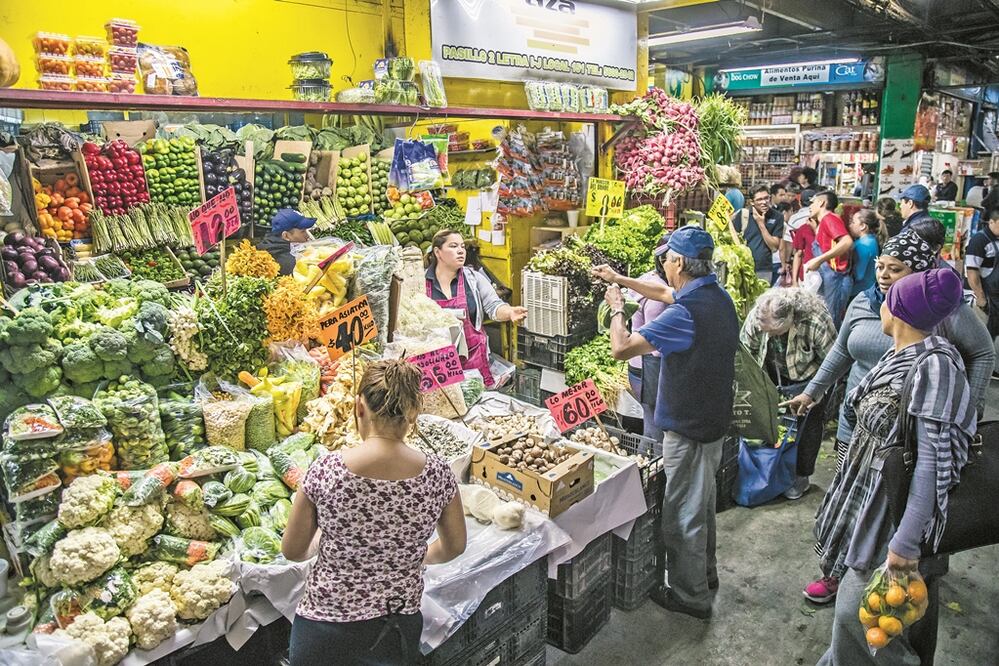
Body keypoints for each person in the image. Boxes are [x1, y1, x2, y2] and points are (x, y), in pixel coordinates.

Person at [785, 232, 994, 606]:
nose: (882, 275)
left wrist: (968, 408)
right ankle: (838, 573)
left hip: (902, 440)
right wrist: (812, 393)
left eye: (894, 269)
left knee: (897, 511)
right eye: (880, 266)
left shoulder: (939, 335)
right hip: (863, 422)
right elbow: (839, 353)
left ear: (918, 276)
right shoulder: (865, 304)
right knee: (855, 500)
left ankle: (900, 576)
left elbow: (982, 355)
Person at [814, 269, 976, 666]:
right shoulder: (901, 355)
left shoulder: (934, 368)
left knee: (861, 618)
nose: (879, 302)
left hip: (894, 515)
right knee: (868, 626)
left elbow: (931, 465)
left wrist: (904, 545)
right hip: (872, 501)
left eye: (887, 297)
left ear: (898, 311)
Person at [592, 226, 739, 620]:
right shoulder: (716, 297)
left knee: (683, 516)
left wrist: (618, 307)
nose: (665, 267)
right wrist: (619, 278)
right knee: (702, 505)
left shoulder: (684, 315)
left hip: (689, 429)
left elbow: (622, 349)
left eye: (668, 259)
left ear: (677, 263)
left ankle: (691, 598)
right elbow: (663, 292)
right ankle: (705, 576)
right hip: (711, 422)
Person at [282, 359, 467, 666]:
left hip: (323, 628)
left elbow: (292, 550)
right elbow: (454, 546)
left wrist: (324, 542)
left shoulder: (326, 470)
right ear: (414, 414)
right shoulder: (437, 474)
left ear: (359, 408)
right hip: (393, 628)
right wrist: (416, 555)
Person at [740, 288, 836, 499]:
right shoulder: (760, 316)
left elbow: (832, 362)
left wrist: (814, 394)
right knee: (775, 426)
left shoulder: (816, 321)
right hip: (772, 374)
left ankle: (801, 476)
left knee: (807, 428)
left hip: (808, 379)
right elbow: (746, 350)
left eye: (773, 332)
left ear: (789, 321)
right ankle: (773, 472)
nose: (767, 335)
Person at [426, 230, 527, 387]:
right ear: (438, 252)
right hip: (437, 363)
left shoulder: (473, 278)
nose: (460, 251)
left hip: (473, 361)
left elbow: (494, 306)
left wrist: (509, 312)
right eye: (453, 246)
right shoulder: (422, 283)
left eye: (462, 246)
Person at [625, 241, 670, 447]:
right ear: (664, 261)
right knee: (655, 429)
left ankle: (645, 467)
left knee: (650, 423)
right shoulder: (658, 295)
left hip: (637, 366)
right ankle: (651, 472)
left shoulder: (647, 279)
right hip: (648, 367)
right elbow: (656, 342)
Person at [804, 190, 854, 327]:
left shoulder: (829, 219)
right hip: (829, 278)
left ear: (821, 203)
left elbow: (847, 242)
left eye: (812, 202)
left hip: (835, 278)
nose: (810, 206)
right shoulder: (822, 223)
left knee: (830, 321)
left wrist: (818, 260)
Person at [965, 206, 999, 370]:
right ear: (991, 221)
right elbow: (972, 272)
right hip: (985, 297)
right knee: (981, 339)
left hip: (997, 297)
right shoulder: (980, 240)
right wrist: (981, 298)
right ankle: (976, 371)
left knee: (994, 335)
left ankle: (992, 368)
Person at [732, 185, 784, 284]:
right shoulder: (743, 215)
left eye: (766, 198)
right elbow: (733, 240)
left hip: (764, 269)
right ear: (752, 202)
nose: (764, 202)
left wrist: (761, 224)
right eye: (759, 199)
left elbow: (774, 247)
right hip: (743, 267)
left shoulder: (777, 217)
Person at [257, 208, 315, 275]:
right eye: (303, 231)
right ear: (286, 236)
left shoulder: (266, 244)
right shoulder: (289, 264)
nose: (307, 235)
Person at [849, 209, 884, 298]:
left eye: (853, 222)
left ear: (863, 226)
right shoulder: (871, 240)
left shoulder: (862, 245)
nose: (850, 225)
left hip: (859, 292)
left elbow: (859, 275)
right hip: (868, 287)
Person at [784, 189, 817, 284]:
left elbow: (789, 243)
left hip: (802, 262)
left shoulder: (794, 218)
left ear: (799, 202)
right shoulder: (820, 217)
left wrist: (787, 261)